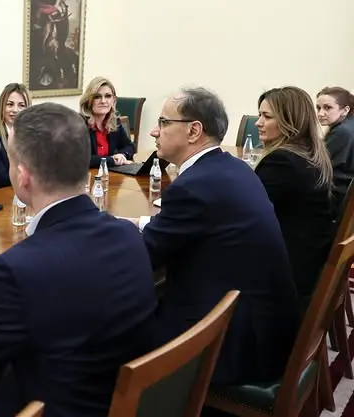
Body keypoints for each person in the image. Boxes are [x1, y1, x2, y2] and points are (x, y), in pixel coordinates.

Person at [0, 103, 158, 417]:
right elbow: (73, 282)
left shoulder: (18, 271)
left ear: (23, 175)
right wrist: (5, 277)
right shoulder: (128, 236)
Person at [129, 87, 299, 385]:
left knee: (108, 334)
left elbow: (141, 258)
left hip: (233, 345)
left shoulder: (193, 186)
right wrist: (134, 224)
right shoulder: (233, 168)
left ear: (194, 131)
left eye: (164, 122)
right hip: (265, 329)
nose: (154, 131)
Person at [255, 87, 334, 303]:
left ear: (290, 121)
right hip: (309, 259)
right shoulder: (309, 154)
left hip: (288, 274)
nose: (258, 122)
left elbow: (246, 212)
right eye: (259, 115)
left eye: (267, 116)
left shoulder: (282, 162)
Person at [79, 76, 135, 168]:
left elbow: (129, 146)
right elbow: (80, 158)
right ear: (88, 100)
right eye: (97, 97)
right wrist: (112, 160)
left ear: (113, 100)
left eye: (108, 96)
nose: (103, 101)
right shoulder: (78, 124)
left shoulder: (114, 122)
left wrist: (123, 155)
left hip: (108, 174)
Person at [316, 86, 354, 211]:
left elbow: (318, 165)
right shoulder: (348, 125)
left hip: (336, 199)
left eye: (328, 108)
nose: (320, 113)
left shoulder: (342, 132)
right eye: (318, 108)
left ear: (345, 110)